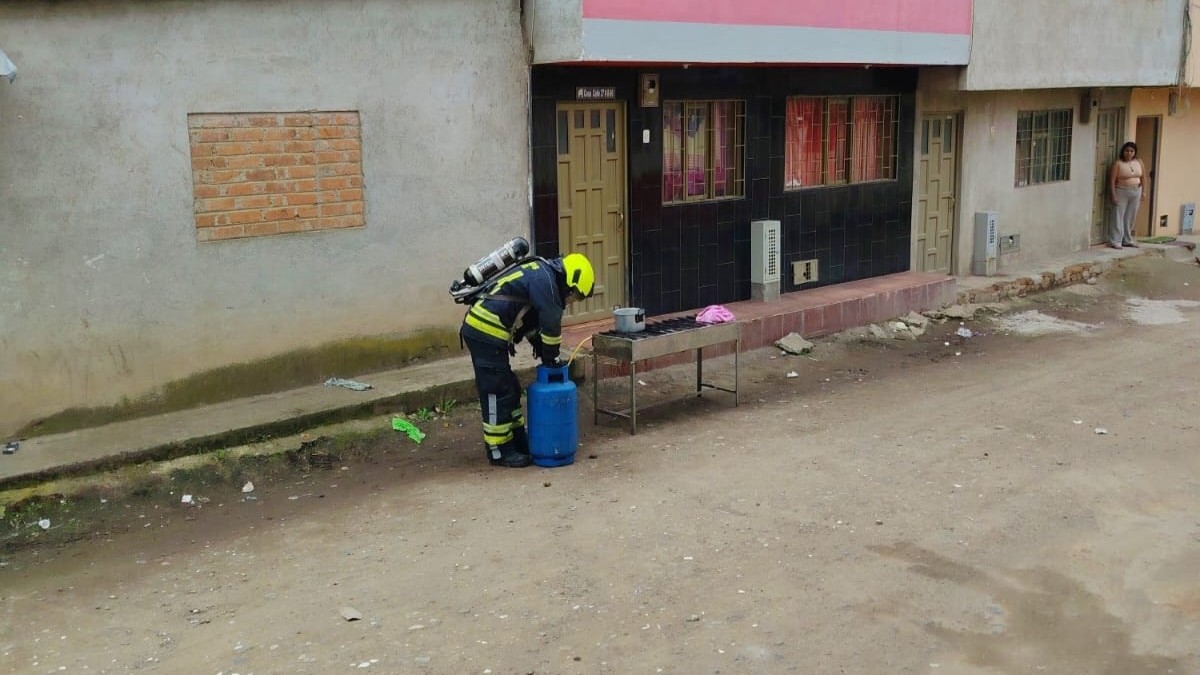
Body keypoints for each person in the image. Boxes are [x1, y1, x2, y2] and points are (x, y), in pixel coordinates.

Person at [459, 252, 595, 467]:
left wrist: (544, 352)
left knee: (510, 386)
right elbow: (551, 325)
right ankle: (499, 450)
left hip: (489, 331)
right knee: (496, 390)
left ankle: (517, 439)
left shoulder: (540, 275)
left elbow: (531, 326)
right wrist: (551, 358)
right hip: (484, 330)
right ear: (571, 281)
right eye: (575, 296)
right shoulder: (547, 284)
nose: (570, 301)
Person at [1108, 141, 1145, 249]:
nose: (1129, 153)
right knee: (1118, 215)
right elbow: (1112, 180)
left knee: (1131, 216)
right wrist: (1114, 194)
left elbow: (1144, 178)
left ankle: (1127, 239)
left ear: (1135, 152)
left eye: (1131, 151)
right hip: (1122, 191)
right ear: (1123, 152)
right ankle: (1116, 240)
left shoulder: (1139, 162)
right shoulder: (1118, 163)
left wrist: (1144, 191)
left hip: (1136, 191)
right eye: (1127, 151)